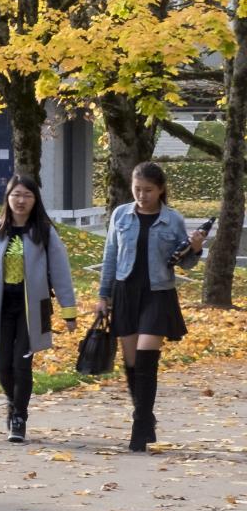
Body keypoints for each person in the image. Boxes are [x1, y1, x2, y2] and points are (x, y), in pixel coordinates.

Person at [96, 161, 204, 452]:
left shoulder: (173, 219)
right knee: (131, 363)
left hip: (158, 294)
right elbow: (110, 257)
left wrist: (195, 248)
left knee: (146, 358)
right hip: (125, 292)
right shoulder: (121, 215)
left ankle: (139, 425)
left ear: (161, 190)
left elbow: (185, 262)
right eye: (137, 189)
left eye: (148, 190)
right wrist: (103, 297)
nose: (142, 195)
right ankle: (146, 417)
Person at [0, 175, 77, 443]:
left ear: (35, 200)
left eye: (27, 195)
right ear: (7, 197)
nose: (21, 200)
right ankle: (12, 403)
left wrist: (68, 311)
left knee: (22, 363)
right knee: (2, 365)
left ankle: (19, 417)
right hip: (2, 307)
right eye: (16, 194)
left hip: (33, 309)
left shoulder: (44, 231)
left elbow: (61, 273)